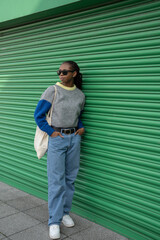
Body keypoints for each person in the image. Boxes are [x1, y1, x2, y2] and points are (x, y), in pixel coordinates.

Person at [34, 61, 85, 239]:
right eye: (59, 72)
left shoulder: (80, 95)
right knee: (56, 181)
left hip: (74, 139)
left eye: (65, 72)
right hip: (57, 139)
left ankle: (64, 213)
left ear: (74, 73)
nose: (61, 74)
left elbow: (76, 115)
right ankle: (54, 221)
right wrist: (51, 133)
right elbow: (38, 115)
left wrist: (81, 127)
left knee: (70, 179)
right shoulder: (52, 90)